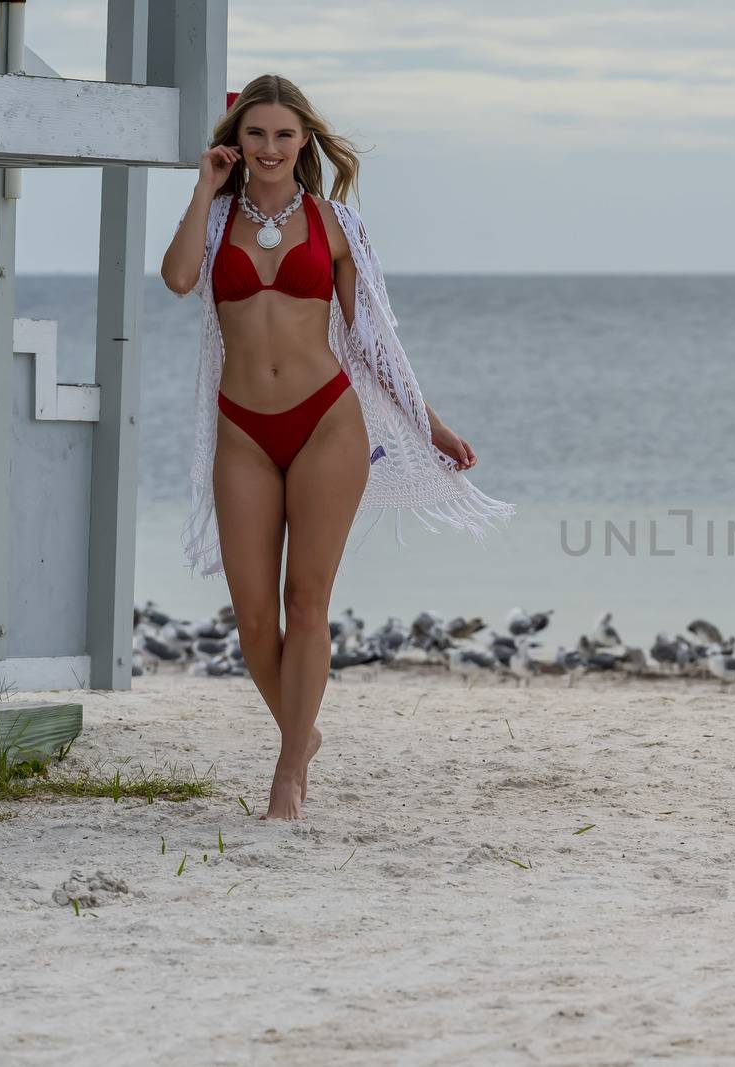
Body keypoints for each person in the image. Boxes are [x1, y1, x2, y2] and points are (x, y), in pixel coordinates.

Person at [160, 74, 515, 820]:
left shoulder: (335, 224)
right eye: (254, 133)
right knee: (253, 616)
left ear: (306, 141)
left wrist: (431, 424)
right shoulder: (217, 219)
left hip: (326, 422)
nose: (268, 148)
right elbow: (179, 278)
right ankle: (304, 731)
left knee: (305, 600)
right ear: (236, 141)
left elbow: (376, 343)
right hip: (241, 430)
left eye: (283, 134)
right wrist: (203, 187)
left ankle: (288, 772)